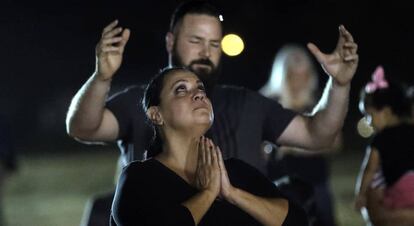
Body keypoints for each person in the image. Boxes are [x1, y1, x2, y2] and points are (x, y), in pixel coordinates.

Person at [66, 0, 358, 223]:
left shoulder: (247, 110)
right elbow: (82, 127)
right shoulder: (137, 121)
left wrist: (340, 84)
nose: (206, 51)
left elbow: (317, 134)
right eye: (195, 41)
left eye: (214, 43)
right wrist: (101, 77)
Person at [111, 67, 308, 226]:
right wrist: (207, 195)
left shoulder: (235, 172)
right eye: (181, 89)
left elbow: (297, 221)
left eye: (200, 88)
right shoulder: (139, 178)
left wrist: (232, 194)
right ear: (156, 114)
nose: (198, 94)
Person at [260, 44, 340, 226]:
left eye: (303, 74)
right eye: (293, 75)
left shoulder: (319, 102)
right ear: (282, 75)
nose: (299, 81)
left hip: (315, 182)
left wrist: (292, 147)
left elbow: (335, 142)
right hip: (278, 184)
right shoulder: (268, 103)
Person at [354, 66, 414, 226]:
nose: (368, 121)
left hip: (400, 192)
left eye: (369, 115)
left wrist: (360, 194)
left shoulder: (380, 140)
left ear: (386, 112)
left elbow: (369, 169)